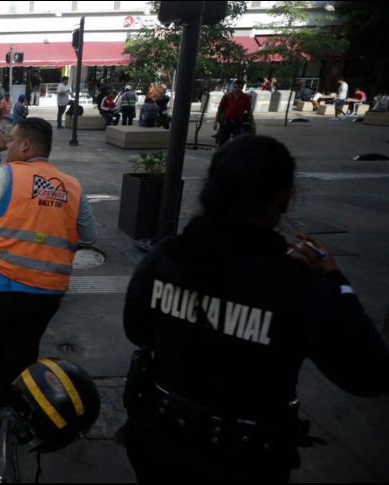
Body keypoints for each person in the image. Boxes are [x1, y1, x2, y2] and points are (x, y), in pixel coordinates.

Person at [120, 134, 389, 482]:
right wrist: (336, 280)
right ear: (284, 198)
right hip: (243, 461)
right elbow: (368, 374)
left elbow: (135, 329)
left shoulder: (168, 255)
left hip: (159, 443)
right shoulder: (300, 285)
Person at [0, 117, 97, 438]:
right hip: (45, 296)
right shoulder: (72, 186)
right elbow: (88, 235)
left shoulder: (6, 175)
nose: (8, 146)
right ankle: (12, 412)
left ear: (26, 145)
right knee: (21, 354)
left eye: (11, 140)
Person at [215, 81, 253, 146]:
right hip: (226, 122)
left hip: (238, 122)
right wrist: (215, 122)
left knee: (237, 142)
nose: (237, 89)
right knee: (223, 141)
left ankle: (234, 152)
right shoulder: (227, 96)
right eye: (236, 87)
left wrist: (252, 123)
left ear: (242, 88)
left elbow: (249, 111)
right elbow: (220, 109)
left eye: (239, 87)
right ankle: (223, 152)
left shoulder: (245, 97)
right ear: (233, 87)